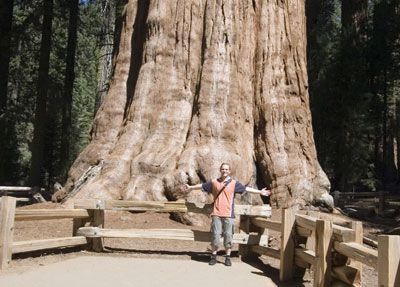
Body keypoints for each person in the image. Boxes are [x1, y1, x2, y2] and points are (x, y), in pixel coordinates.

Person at [183, 163, 271, 266]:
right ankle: (214, 256)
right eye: (223, 169)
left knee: (228, 236)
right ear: (220, 170)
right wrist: (190, 187)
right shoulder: (214, 182)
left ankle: (227, 257)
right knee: (215, 236)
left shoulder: (234, 183)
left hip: (229, 214)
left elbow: (246, 189)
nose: (225, 171)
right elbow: (202, 186)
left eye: (226, 169)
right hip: (216, 213)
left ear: (229, 171)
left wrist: (260, 192)